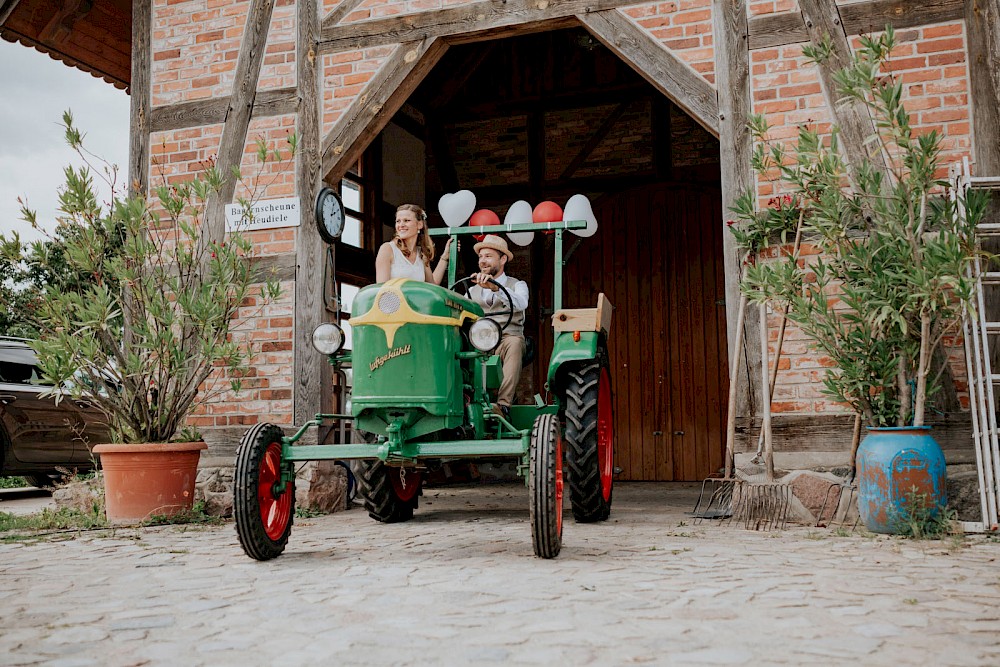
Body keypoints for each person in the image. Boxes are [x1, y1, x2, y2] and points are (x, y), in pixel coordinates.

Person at [468, 234, 529, 417]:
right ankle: (466, 401)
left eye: (488, 256)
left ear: (502, 259)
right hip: (480, 341)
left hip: (506, 338)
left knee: (515, 344)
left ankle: (503, 406)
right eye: (480, 257)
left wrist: (496, 289)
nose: (482, 261)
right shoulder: (471, 290)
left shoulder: (517, 285)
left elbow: (521, 303)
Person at [374, 204, 453, 284]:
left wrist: (445, 257)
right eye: (398, 221)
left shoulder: (422, 254)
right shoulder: (387, 249)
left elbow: (432, 287)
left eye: (406, 220)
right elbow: (382, 289)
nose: (401, 225)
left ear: (419, 224)